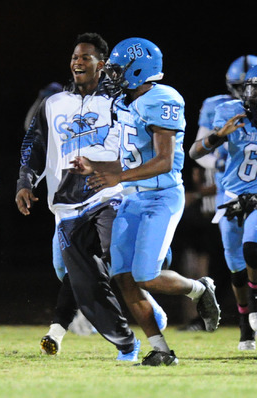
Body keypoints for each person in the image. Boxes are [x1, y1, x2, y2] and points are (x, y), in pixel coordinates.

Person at [78, 37, 221, 366]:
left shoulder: (162, 98)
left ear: (139, 68)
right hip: (132, 199)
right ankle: (161, 349)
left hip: (160, 198)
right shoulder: (129, 103)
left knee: (145, 275)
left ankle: (199, 289)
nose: (112, 75)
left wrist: (119, 178)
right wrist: (96, 167)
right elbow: (129, 162)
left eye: (118, 69)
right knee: (123, 275)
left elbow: (164, 161)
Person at [16, 32, 143, 361]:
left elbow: (137, 146)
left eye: (86, 56)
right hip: (67, 207)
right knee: (78, 278)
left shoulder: (118, 102)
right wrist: (25, 182)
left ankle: (147, 308)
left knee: (115, 256)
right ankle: (126, 340)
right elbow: (34, 146)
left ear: (101, 65)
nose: (77, 61)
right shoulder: (54, 103)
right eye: (75, 56)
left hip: (108, 196)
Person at [183, 56, 257, 348]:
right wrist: (217, 137)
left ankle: (254, 307)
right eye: (251, 88)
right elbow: (195, 153)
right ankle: (244, 325)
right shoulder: (228, 110)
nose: (250, 94)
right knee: (236, 269)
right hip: (230, 197)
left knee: (252, 249)